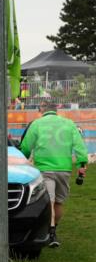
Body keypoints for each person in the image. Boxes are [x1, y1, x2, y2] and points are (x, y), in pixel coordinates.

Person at [18, 101, 87, 247]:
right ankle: (53, 230)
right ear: (56, 111)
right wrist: (81, 164)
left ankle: (50, 232)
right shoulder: (69, 124)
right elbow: (80, 146)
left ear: (42, 110)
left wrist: (20, 160)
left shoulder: (36, 124)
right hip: (64, 168)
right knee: (59, 202)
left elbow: (26, 146)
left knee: (49, 201)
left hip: (44, 167)